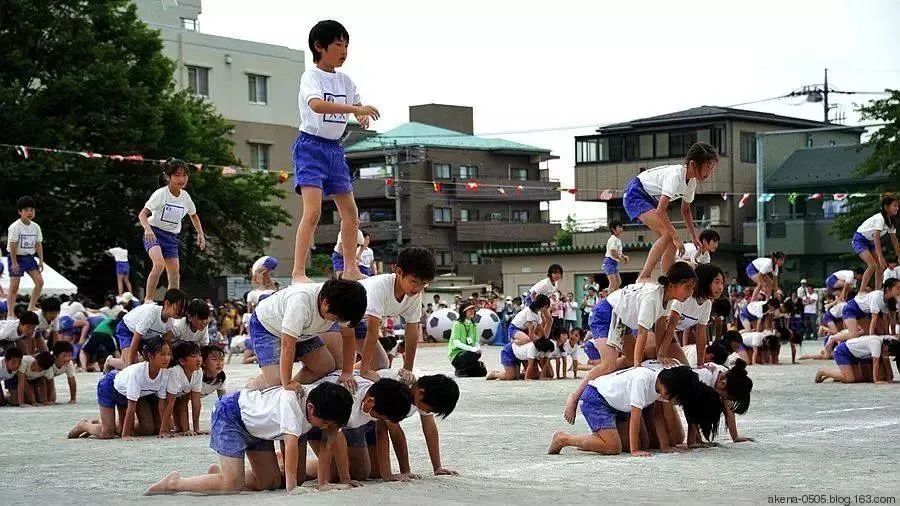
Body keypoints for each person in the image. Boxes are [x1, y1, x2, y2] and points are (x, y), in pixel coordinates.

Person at [291, 20, 379, 284]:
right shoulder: (311, 77)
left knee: (351, 214)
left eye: (346, 45)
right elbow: (317, 105)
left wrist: (362, 117)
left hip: (334, 149)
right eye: (338, 44)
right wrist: (355, 112)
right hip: (310, 147)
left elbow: (358, 104)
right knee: (313, 212)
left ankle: (350, 267)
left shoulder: (346, 81)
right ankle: (298, 272)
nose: (344, 50)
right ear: (320, 46)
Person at [147, 382, 354, 495]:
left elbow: (329, 441)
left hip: (259, 429)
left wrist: (324, 482)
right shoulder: (292, 404)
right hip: (232, 416)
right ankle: (175, 483)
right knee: (231, 487)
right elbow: (290, 445)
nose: (325, 428)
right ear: (311, 408)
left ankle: (222, 473)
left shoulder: (322, 400)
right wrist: (292, 488)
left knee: (270, 482)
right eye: (325, 423)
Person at [564, 263, 697, 424]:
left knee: (632, 357)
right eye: (687, 287)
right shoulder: (652, 298)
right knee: (609, 364)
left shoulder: (667, 298)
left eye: (692, 288)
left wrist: (662, 354)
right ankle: (575, 396)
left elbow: (661, 326)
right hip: (607, 313)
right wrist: (637, 366)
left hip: (623, 318)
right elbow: (641, 333)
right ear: (671, 285)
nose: (690, 292)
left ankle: (613, 385)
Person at [549, 365, 722, 456]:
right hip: (596, 399)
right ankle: (563, 438)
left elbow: (657, 416)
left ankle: (597, 439)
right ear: (670, 391)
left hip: (617, 406)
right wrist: (634, 451)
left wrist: (666, 446)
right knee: (613, 447)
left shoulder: (659, 385)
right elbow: (636, 417)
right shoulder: (643, 380)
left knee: (643, 444)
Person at [335, 247, 434, 385]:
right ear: (399, 272)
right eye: (414, 281)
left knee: (381, 363)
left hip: (356, 322)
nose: (418, 288)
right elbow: (372, 331)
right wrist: (364, 371)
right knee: (329, 364)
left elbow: (412, 331)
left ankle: (338, 376)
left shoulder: (414, 295)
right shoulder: (380, 286)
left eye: (424, 283)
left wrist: (408, 369)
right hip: (336, 317)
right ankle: (339, 372)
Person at [622, 143, 719, 281]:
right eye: (708, 166)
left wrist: (693, 236)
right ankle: (644, 276)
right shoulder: (675, 176)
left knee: (671, 243)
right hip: (636, 193)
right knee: (668, 235)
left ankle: (668, 280)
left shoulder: (691, 183)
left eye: (712, 168)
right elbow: (661, 211)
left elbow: (685, 210)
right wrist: (676, 236)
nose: (709, 172)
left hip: (650, 199)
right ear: (693, 163)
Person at [248, 279, 366, 389]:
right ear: (325, 303)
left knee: (325, 366)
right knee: (276, 381)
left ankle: (293, 383)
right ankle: (252, 385)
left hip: (303, 331)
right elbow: (288, 345)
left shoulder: (343, 304)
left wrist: (347, 372)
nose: (337, 322)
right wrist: (287, 382)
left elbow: (348, 336)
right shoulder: (300, 303)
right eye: (335, 319)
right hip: (267, 326)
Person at [69, 337, 172, 440]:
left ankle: (101, 424)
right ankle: (85, 425)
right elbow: (131, 407)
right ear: (150, 356)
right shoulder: (138, 373)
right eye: (162, 354)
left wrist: (164, 430)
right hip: (110, 386)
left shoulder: (165, 373)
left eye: (168, 354)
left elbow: (162, 405)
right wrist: (126, 435)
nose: (167, 358)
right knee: (107, 434)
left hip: (126, 394)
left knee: (146, 430)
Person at [139, 159, 206, 302]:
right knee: (159, 264)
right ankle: (148, 300)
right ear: (167, 177)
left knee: (175, 274)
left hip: (171, 237)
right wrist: (147, 229)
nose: (181, 179)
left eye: (184, 175)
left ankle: (171, 303)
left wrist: (200, 233)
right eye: (176, 175)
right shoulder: (161, 194)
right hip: (154, 233)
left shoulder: (185, 197)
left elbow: (193, 215)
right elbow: (142, 214)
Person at [108, 289, 186, 368]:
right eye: (179, 307)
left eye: (183, 308)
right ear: (167, 303)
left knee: (153, 360)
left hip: (146, 337)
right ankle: (109, 361)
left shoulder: (171, 322)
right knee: (130, 364)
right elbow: (136, 339)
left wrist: (170, 359)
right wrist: (130, 366)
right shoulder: (151, 314)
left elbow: (167, 342)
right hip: (128, 329)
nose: (181, 311)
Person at [670, 263, 725, 367]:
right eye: (716, 282)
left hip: (672, 334)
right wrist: (677, 349)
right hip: (656, 330)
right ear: (705, 281)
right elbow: (669, 327)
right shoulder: (685, 297)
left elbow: (701, 334)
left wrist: (701, 364)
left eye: (722, 283)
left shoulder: (707, 304)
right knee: (684, 367)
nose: (721, 287)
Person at [5, 196, 45, 318]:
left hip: (29, 257)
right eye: (26, 210)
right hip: (16, 256)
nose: (30, 213)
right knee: (14, 287)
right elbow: (12, 244)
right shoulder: (15, 226)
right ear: (20, 212)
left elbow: (38, 244)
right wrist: (14, 262)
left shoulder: (36, 227)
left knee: (40, 282)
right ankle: (10, 312)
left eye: (32, 210)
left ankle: (31, 306)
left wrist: (41, 261)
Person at [853, 193, 899, 291]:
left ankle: (877, 290)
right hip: (860, 239)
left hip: (870, 241)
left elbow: (894, 241)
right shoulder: (880, 219)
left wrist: (899, 256)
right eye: (894, 206)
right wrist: (881, 257)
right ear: (886, 207)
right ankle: (861, 291)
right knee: (873, 265)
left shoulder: (891, 221)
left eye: (897, 206)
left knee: (880, 267)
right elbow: (876, 238)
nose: (897, 208)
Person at [159, 341, 204, 437]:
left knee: (179, 429)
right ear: (182, 361)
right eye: (193, 356)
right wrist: (164, 430)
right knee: (149, 428)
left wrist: (195, 429)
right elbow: (167, 403)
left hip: (172, 399)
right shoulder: (175, 372)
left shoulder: (198, 371)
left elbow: (195, 402)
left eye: (199, 355)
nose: (198, 359)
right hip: (156, 399)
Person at [816, 336, 899, 384]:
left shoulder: (886, 342)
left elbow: (886, 361)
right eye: (889, 353)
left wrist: (889, 378)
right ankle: (823, 371)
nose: (887, 355)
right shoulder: (876, 344)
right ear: (887, 348)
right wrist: (876, 380)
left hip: (854, 355)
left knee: (858, 379)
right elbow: (875, 363)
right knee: (849, 379)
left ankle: (838, 374)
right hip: (843, 351)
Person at [448, 304, 487, 377]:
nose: (472, 311)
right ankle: (459, 370)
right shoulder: (457, 324)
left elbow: (475, 342)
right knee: (473, 354)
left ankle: (465, 370)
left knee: (482, 371)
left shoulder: (473, 325)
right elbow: (457, 343)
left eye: (473, 309)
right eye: (469, 310)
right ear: (464, 312)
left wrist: (477, 349)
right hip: (457, 355)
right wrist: (472, 349)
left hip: (469, 353)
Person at [44, 341, 78, 405]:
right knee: (46, 399)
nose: (67, 359)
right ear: (55, 356)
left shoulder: (69, 363)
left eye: (70, 355)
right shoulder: (49, 362)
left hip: (47, 379)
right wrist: (50, 400)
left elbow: (72, 381)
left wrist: (73, 399)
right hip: (37, 378)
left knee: (52, 399)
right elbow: (50, 382)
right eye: (64, 356)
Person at [603, 220, 628, 292]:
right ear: (613, 229)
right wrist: (621, 259)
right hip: (609, 262)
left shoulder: (618, 239)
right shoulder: (613, 239)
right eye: (619, 227)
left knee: (618, 282)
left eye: (621, 227)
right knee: (613, 283)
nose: (621, 229)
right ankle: (609, 298)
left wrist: (623, 256)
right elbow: (613, 252)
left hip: (614, 263)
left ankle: (614, 295)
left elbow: (618, 252)